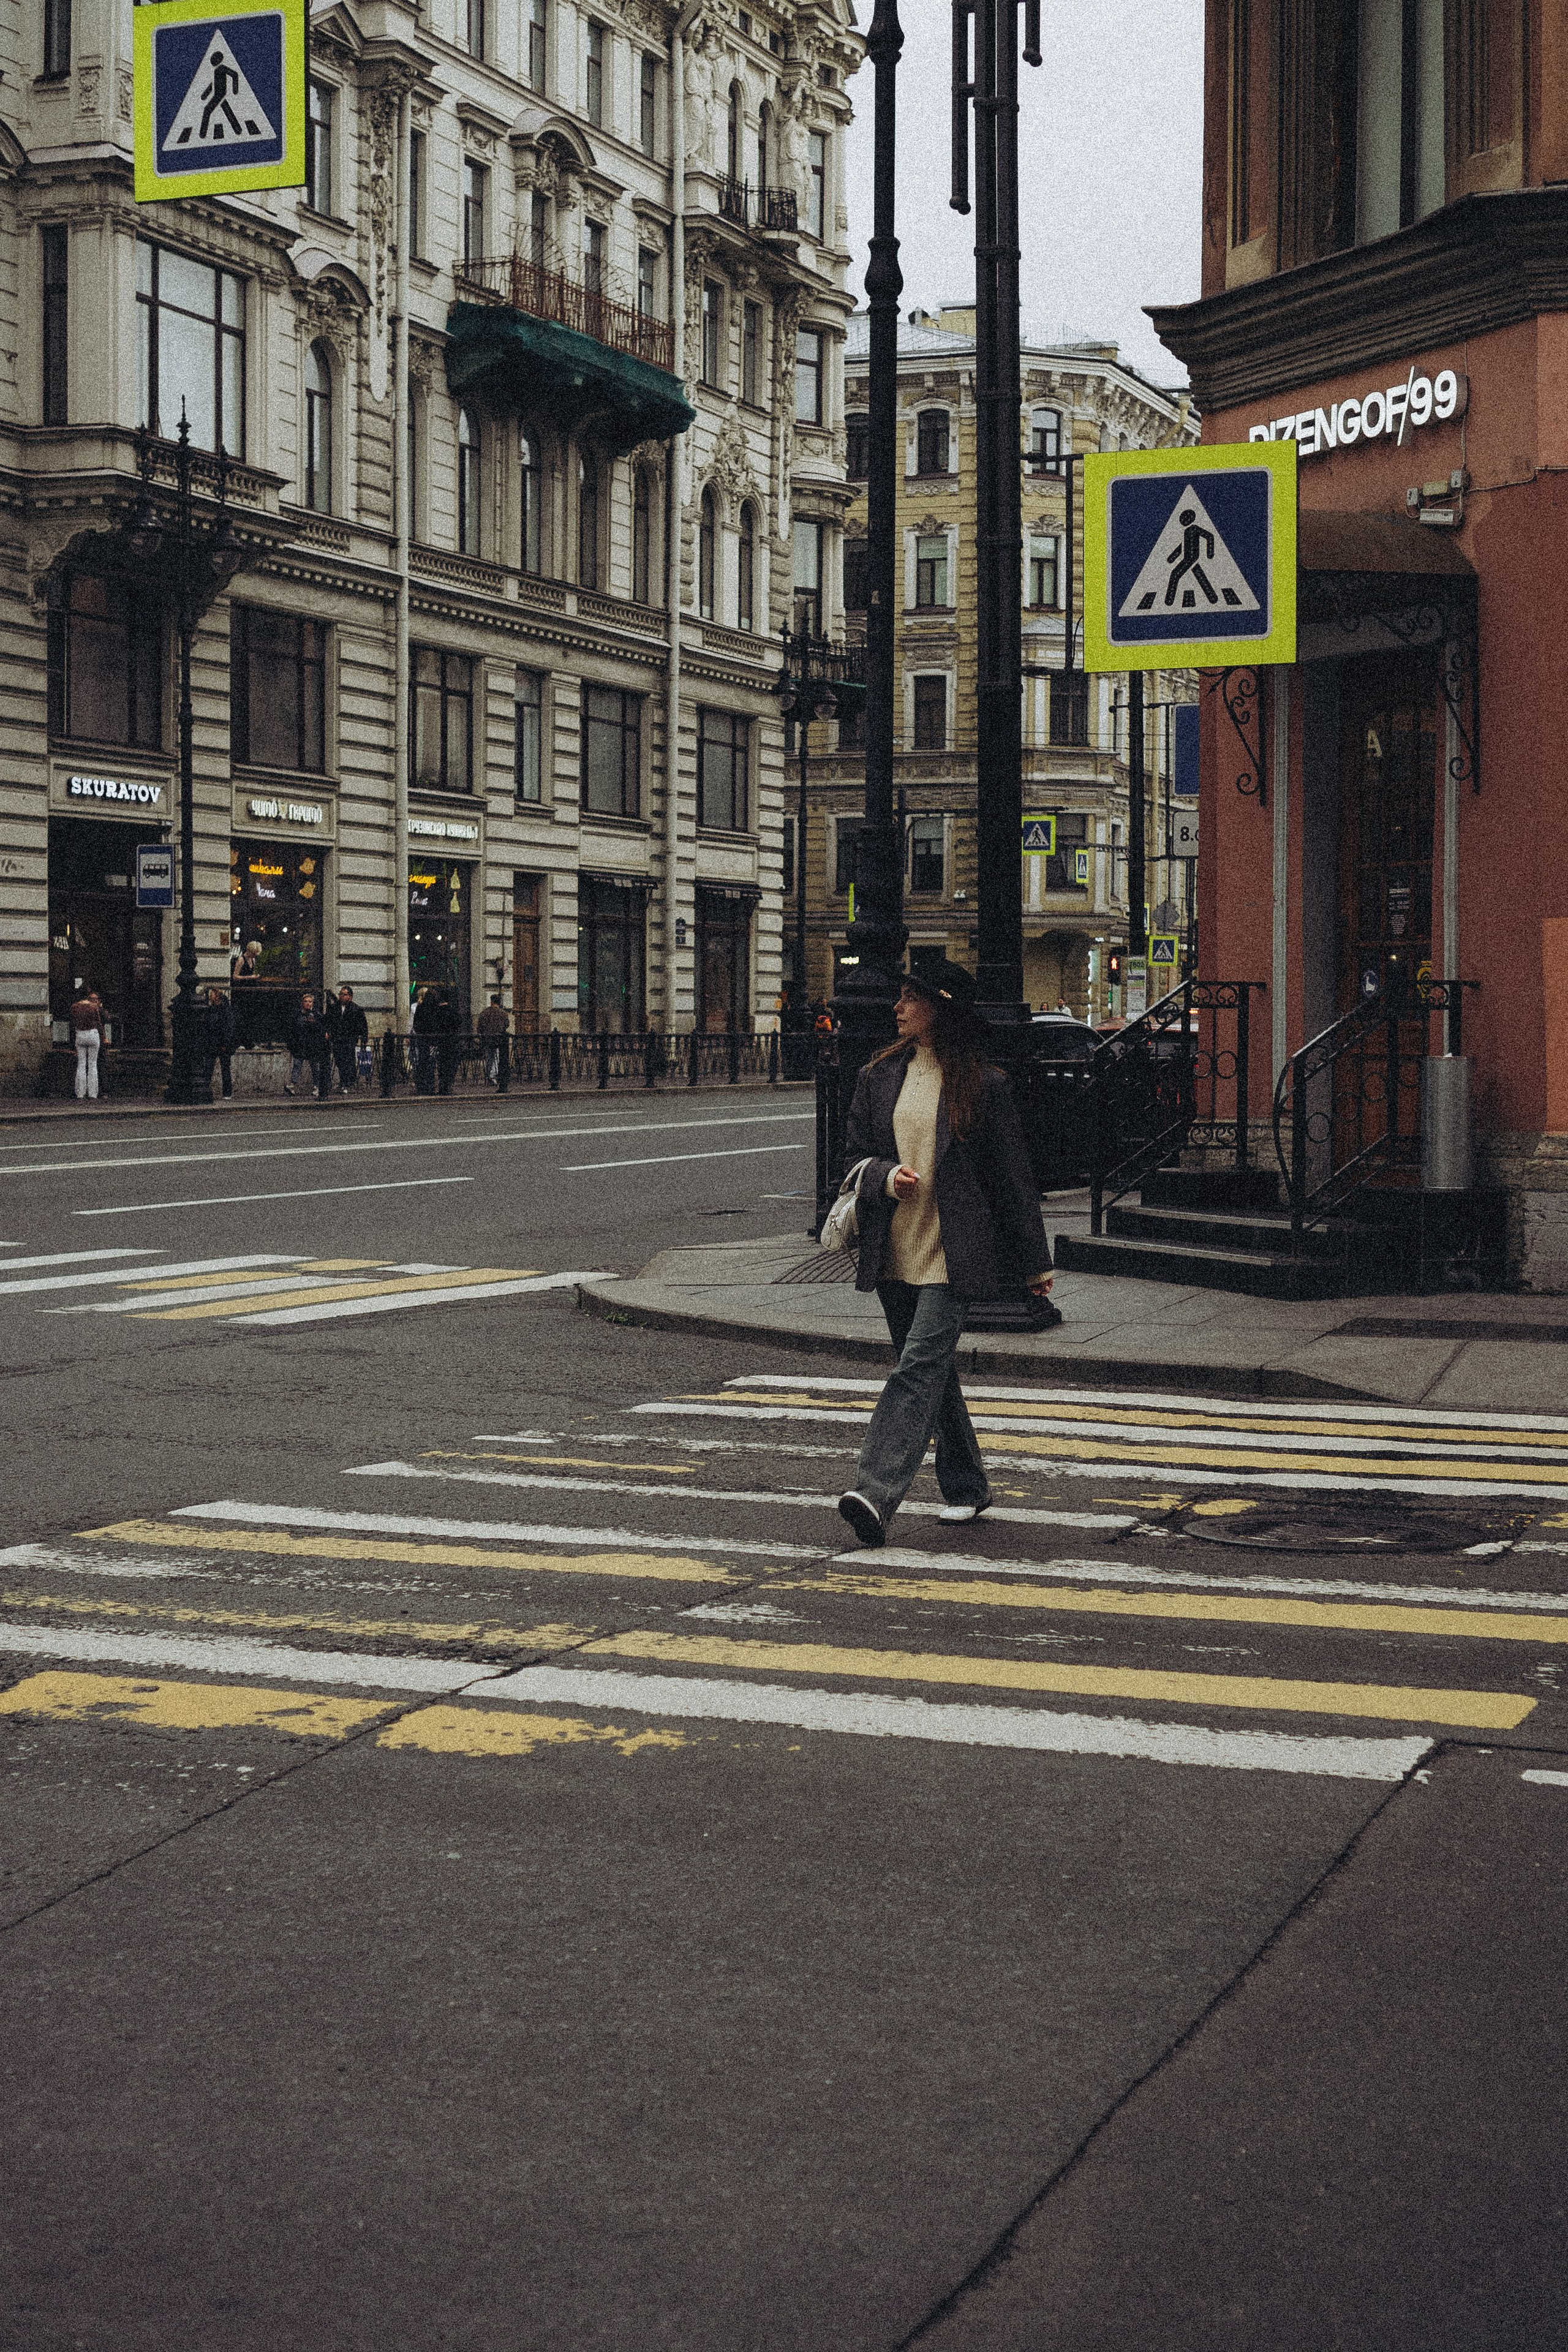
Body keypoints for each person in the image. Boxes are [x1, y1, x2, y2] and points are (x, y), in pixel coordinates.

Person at [834, 960, 1054, 1548]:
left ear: (941, 1007)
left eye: (911, 999)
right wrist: (885, 1176)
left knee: (915, 1370)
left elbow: (1012, 1179)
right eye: (900, 997)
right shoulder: (878, 1076)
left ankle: (875, 1494)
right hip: (894, 1248)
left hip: (956, 1253)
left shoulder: (984, 1084)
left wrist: (1034, 1264)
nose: (898, 1008)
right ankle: (966, 1485)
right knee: (934, 1374)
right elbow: (853, 1155)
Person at [286, 991, 331, 1099]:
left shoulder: (317, 1015)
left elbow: (322, 1029)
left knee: (315, 1067)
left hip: (312, 1045)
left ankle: (317, 1087)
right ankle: (292, 1085)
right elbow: (292, 1029)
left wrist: (314, 1023)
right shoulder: (298, 1015)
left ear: (313, 1003)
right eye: (306, 1001)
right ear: (302, 1003)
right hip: (300, 1045)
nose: (308, 1003)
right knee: (297, 1065)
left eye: (310, 1002)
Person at [69, 983, 105, 1102]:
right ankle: (93, 1093)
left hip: (80, 1034)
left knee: (81, 1064)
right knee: (93, 1064)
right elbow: (99, 1023)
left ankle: (80, 1093)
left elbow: (73, 1023)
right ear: (88, 995)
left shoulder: (74, 1007)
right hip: (93, 1034)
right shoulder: (94, 1007)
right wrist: (104, 1037)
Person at [330, 984, 369, 1093]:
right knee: (339, 1061)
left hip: (350, 1039)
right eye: (341, 994)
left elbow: (363, 1026)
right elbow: (329, 1022)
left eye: (345, 994)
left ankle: (347, 1083)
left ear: (350, 997)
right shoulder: (334, 1008)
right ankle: (344, 1082)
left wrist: (364, 1039)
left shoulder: (356, 1009)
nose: (342, 996)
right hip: (337, 1039)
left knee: (348, 1061)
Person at [204, 986, 236, 1099]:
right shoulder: (211, 1009)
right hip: (213, 1043)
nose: (209, 996)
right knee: (208, 1067)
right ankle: (205, 1089)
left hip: (223, 1044)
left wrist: (225, 1044)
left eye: (212, 994)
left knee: (225, 1068)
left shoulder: (226, 1010)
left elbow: (229, 1028)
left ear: (217, 996)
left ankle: (227, 1093)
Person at [411, 984, 440, 1094]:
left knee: (422, 1062)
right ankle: (430, 1086)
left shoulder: (421, 1007)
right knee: (431, 1063)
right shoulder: (435, 1008)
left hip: (422, 1039)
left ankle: (421, 1087)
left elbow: (416, 1024)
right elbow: (437, 1024)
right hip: (432, 1041)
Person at [477, 992, 509, 1087]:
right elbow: (507, 1024)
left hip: (487, 1040)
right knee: (497, 1057)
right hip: (499, 1040)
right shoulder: (503, 1013)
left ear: (491, 1002)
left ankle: (489, 1075)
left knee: (489, 1058)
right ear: (499, 1003)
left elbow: (479, 1026)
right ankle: (493, 1076)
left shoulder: (485, 1013)